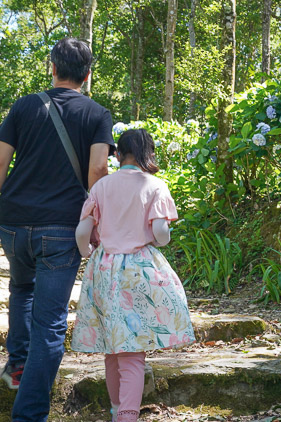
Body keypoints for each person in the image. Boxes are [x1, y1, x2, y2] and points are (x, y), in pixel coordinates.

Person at [0, 37, 115, 422]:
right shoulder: (98, 114)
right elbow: (99, 170)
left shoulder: (24, 105)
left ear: (52, 68)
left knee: (21, 288)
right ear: (87, 75)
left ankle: (17, 366)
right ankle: (29, 414)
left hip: (16, 223)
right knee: (51, 321)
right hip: (62, 227)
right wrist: (98, 222)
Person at [71, 128, 195, 422]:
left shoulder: (101, 187)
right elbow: (160, 234)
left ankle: (117, 411)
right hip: (138, 271)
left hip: (104, 270)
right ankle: (126, 416)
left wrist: (88, 253)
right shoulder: (155, 185)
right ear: (148, 154)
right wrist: (159, 237)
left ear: (117, 154)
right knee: (133, 351)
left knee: (113, 349)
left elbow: (82, 231)